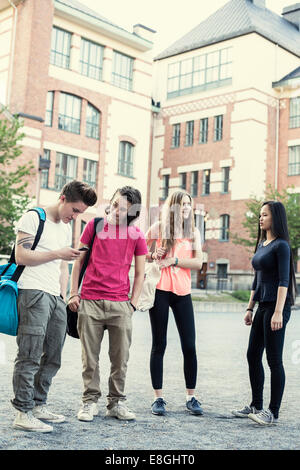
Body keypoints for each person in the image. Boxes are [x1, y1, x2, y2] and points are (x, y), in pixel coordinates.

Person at [12, 180, 97, 433]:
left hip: (54, 296)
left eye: (81, 213)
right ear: (63, 199)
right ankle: (23, 411)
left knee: (53, 355)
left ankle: (38, 404)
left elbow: (63, 267)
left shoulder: (63, 227)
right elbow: (21, 256)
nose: (76, 216)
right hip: (33, 291)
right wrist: (58, 253)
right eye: (75, 210)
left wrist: (63, 297)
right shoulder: (33, 217)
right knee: (29, 353)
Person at [68, 186, 147, 422]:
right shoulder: (94, 226)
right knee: (89, 359)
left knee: (120, 359)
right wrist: (74, 294)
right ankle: (89, 402)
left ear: (132, 212)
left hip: (120, 305)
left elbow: (141, 273)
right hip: (90, 301)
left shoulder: (136, 235)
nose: (115, 210)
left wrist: (132, 305)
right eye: (113, 204)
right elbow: (78, 263)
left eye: (122, 209)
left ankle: (116, 403)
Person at [232, 201, 297, 425]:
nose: (260, 219)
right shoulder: (262, 244)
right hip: (262, 306)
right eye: (260, 215)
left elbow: (283, 281)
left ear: (275, 218)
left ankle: (272, 412)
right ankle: (256, 405)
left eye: (265, 215)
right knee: (252, 355)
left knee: (274, 360)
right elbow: (256, 279)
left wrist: (278, 312)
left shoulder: (282, 246)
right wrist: (250, 307)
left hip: (277, 307)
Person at [145, 191, 203, 416]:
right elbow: (139, 253)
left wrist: (175, 260)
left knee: (190, 345)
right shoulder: (158, 228)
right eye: (182, 204)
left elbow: (198, 262)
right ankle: (158, 399)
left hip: (182, 292)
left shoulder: (194, 232)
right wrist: (153, 254)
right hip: (159, 290)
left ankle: (191, 396)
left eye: (189, 203)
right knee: (159, 344)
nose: (186, 208)